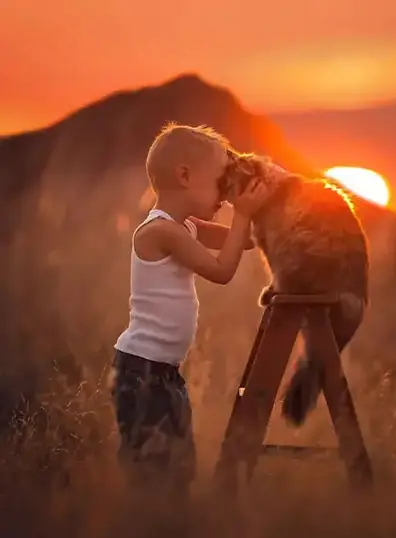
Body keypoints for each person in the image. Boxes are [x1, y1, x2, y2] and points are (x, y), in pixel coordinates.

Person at [110, 123, 270, 498]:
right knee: (151, 471)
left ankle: (168, 523)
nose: (225, 196)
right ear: (184, 176)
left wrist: (260, 208)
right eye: (220, 183)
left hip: (165, 373)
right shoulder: (160, 232)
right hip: (142, 372)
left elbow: (242, 241)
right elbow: (222, 271)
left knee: (179, 470)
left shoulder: (187, 227)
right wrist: (243, 213)